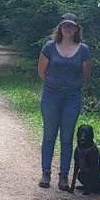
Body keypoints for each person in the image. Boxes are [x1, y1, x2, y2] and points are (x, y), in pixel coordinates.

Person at [37, 12, 92, 190]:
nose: (68, 28)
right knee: (49, 135)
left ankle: (63, 177)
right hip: (51, 96)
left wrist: (70, 86)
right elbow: (41, 71)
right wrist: (55, 85)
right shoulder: (49, 47)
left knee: (67, 138)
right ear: (60, 28)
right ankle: (46, 173)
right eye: (65, 25)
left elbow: (85, 75)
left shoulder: (83, 49)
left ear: (76, 29)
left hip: (72, 97)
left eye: (72, 26)